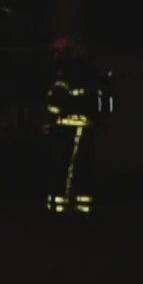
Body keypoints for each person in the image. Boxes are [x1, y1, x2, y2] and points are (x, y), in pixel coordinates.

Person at [43, 36, 114, 213]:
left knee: (65, 165)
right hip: (86, 127)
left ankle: (62, 205)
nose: (56, 56)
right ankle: (81, 205)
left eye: (59, 52)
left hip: (68, 128)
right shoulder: (89, 73)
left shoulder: (67, 73)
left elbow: (56, 103)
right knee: (82, 165)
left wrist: (48, 122)